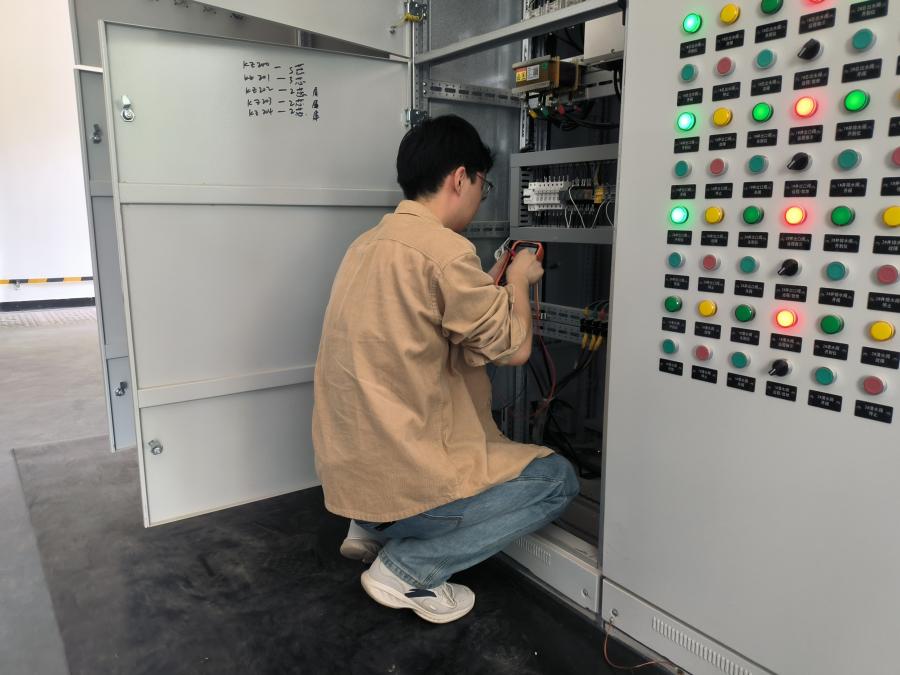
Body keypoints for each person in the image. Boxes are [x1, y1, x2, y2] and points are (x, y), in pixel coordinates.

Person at [312, 115, 579, 624]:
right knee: (557, 479)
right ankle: (409, 568)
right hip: (407, 489)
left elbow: (430, 330)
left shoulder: (365, 244)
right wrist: (519, 281)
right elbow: (514, 349)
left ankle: (369, 529)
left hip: (351, 486)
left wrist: (491, 287)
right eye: (483, 185)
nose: (481, 196)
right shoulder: (445, 251)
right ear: (461, 178)